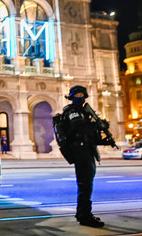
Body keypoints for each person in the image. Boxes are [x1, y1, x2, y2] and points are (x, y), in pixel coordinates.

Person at [59, 85, 108, 228]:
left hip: (87, 150)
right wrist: (96, 125)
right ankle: (85, 216)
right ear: (72, 97)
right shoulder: (72, 112)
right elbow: (79, 127)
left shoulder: (84, 112)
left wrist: (104, 140)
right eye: (77, 95)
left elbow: (90, 136)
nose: (79, 98)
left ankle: (82, 212)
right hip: (79, 152)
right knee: (84, 185)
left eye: (82, 95)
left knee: (87, 183)